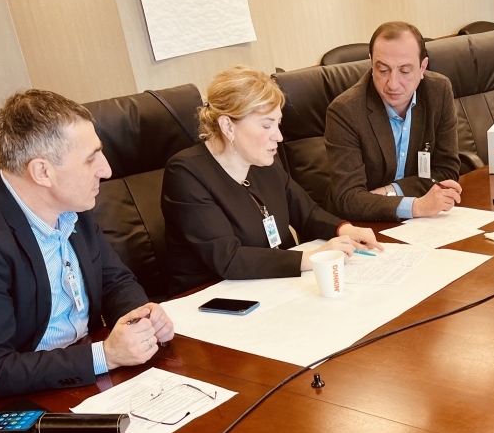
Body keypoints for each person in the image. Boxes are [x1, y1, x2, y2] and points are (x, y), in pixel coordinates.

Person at [0, 90, 173, 402]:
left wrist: (140, 319)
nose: (106, 170)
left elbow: (115, 281)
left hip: (76, 377)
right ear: (43, 172)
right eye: (90, 159)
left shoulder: (70, 205)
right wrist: (106, 356)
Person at [163, 66, 382, 296]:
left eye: (278, 124)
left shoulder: (263, 160)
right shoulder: (186, 173)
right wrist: (311, 258)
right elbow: (229, 258)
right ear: (228, 126)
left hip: (269, 286)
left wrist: (345, 229)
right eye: (267, 125)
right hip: (211, 298)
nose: (278, 136)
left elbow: (307, 214)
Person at [325, 21, 462, 222]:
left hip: (420, 222)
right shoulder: (345, 111)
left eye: (405, 71)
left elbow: (446, 171)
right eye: (383, 70)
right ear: (372, 63)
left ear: (422, 67)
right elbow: (348, 198)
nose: (393, 84)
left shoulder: (438, 92)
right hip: (362, 224)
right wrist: (416, 206)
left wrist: (390, 192)